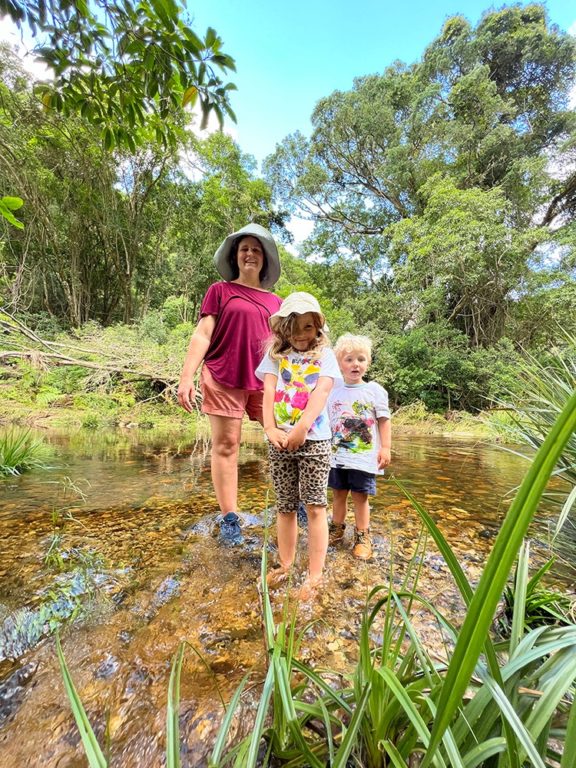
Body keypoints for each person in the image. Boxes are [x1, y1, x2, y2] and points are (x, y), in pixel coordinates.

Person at [177, 223, 282, 544]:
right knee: (226, 445)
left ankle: (294, 504)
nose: (250, 254)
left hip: (265, 380)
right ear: (235, 256)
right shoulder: (219, 291)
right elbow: (203, 334)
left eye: (256, 249)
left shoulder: (277, 303)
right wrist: (186, 376)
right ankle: (230, 518)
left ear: (264, 258)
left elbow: (287, 347)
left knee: (285, 439)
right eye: (244, 249)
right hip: (223, 375)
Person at [255, 292, 342, 600]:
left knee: (315, 506)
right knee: (285, 506)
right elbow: (267, 392)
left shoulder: (325, 356)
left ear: (317, 327)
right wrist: (269, 428)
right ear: (283, 328)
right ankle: (286, 564)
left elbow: (322, 392)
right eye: (294, 327)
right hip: (279, 440)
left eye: (307, 326)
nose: (300, 334)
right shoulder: (275, 355)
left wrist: (303, 428)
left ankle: (315, 575)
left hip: (314, 441)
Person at [327, 333, 391, 560]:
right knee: (338, 494)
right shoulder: (332, 389)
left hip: (364, 458)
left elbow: (384, 420)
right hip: (336, 456)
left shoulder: (374, 390)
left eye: (361, 359)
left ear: (368, 363)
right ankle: (336, 529)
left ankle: (362, 536)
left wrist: (386, 447)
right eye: (349, 359)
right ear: (339, 363)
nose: (356, 364)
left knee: (360, 497)